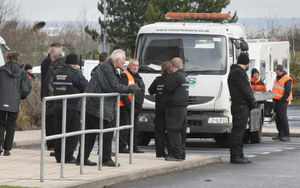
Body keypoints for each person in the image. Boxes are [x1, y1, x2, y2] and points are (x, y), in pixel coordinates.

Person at [76, 49, 140, 166]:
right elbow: (114, 86)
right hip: (97, 106)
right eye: (124, 59)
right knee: (104, 133)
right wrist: (130, 88)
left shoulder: (111, 68)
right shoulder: (107, 68)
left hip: (98, 106)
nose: (125, 62)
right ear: (118, 59)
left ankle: (83, 158)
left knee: (94, 133)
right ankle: (104, 159)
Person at [53, 53, 88, 163]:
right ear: (75, 64)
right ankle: (68, 156)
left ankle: (58, 156)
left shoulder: (57, 73)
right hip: (71, 108)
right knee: (74, 133)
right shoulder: (75, 74)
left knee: (59, 132)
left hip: (57, 107)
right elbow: (86, 86)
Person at [0, 52, 32, 156]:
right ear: (17, 59)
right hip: (14, 102)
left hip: (1, 101)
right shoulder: (22, 72)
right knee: (11, 125)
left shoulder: (1, 70)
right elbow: (27, 88)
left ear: (8, 58)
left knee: (0, 123)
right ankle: (7, 149)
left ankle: (0, 145)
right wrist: (21, 96)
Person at [227, 53, 256, 164]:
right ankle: (235, 156)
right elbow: (246, 90)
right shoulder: (239, 73)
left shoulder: (235, 71)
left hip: (239, 104)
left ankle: (239, 155)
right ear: (246, 62)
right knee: (238, 132)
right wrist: (252, 102)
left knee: (240, 131)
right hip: (240, 105)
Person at [163, 57, 189, 161]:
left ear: (172, 66)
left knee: (173, 131)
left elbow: (167, 88)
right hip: (183, 107)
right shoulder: (185, 75)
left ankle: (176, 154)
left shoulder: (176, 76)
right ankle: (182, 153)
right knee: (181, 132)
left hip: (175, 107)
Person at [119, 59, 145, 153]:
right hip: (126, 107)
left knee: (135, 128)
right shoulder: (124, 75)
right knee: (125, 128)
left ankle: (133, 146)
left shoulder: (137, 76)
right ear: (129, 66)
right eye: (133, 65)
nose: (135, 67)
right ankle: (121, 147)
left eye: (137, 65)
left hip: (136, 107)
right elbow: (123, 93)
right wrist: (130, 107)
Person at [43, 46, 65, 153]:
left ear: (52, 56)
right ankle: (59, 146)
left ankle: (52, 145)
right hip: (65, 100)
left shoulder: (52, 67)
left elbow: (49, 86)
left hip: (53, 101)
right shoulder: (67, 66)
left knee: (51, 123)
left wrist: (50, 100)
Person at [148, 61, 171, 158]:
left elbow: (150, 91)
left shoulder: (158, 80)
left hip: (159, 109)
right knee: (170, 131)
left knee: (159, 132)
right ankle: (170, 152)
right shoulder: (172, 80)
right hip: (170, 110)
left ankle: (159, 152)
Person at [272, 65, 293, 142]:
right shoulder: (277, 78)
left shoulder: (287, 79)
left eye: (276, 70)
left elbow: (287, 91)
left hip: (283, 101)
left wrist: (283, 100)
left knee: (283, 117)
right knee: (278, 118)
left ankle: (287, 135)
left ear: (279, 70)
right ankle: (281, 134)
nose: (275, 72)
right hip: (277, 100)